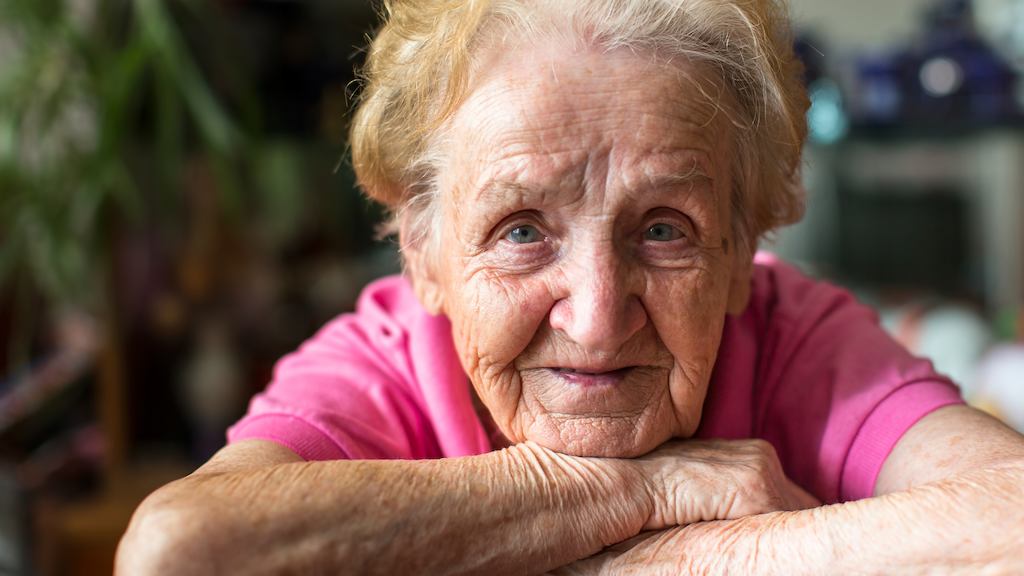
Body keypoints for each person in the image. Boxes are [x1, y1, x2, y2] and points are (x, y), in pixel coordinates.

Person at [117, 1, 1024, 573]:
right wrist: (644, 491)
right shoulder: (383, 365)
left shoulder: (794, 335)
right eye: (521, 231)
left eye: (665, 229)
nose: (595, 320)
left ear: (746, 246)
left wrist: (694, 556)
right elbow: (181, 553)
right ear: (422, 253)